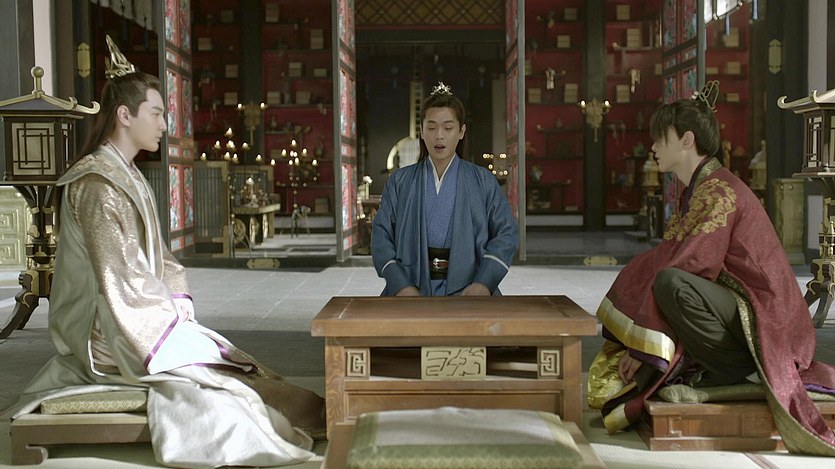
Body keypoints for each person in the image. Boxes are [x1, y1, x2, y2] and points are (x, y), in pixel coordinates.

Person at [5, 35, 324, 467]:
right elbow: (117, 278)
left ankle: (313, 415)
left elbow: (161, 259)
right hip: (110, 327)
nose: (162, 125)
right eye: (155, 113)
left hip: (140, 312)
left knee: (235, 364)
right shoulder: (97, 183)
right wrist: (165, 325)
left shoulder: (128, 175)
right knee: (218, 384)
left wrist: (177, 305)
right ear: (124, 115)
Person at [587, 81, 835, 455]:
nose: (653, 147)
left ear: (687, 140)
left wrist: (642, 349)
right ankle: (721, 367)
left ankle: (742, 371)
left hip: (768, 323)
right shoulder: (701, 188)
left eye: (661, 138)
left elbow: (692, 266)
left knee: (672, 283)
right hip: (739, 309)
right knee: (658, 272)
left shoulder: (719, 191)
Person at [371, 82, 518, 296]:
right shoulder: (400, 181)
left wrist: (484, 283)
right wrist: (400, 284)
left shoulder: (483, 180)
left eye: (448, 128)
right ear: (422, 132)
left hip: (471, 287)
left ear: (461, 131)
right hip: (410, 287)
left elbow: (506, 231)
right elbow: (381, 233)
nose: (439, 135)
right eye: (431, 128)